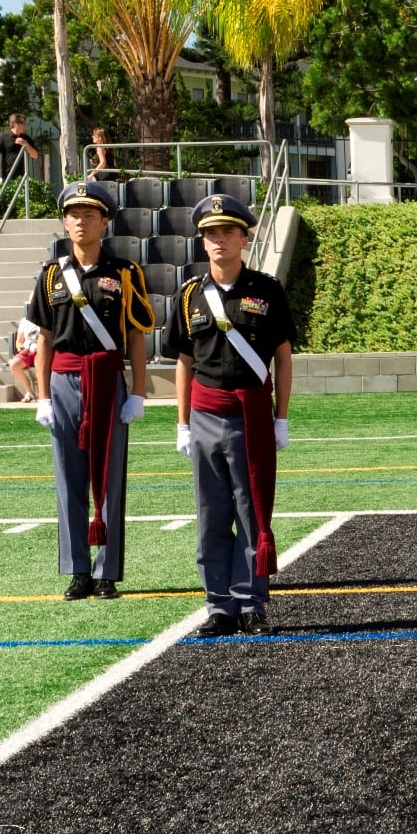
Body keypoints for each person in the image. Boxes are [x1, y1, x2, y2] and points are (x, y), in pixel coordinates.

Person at [165, 194, 297, 637]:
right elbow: (184, 361)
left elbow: (283, 356)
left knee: (252, 509)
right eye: (210, 234)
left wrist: (281, 417)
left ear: (244, 238)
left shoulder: (267, 290)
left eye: (227, 232)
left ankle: (251, 601)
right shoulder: (189, 296)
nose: (219, 240)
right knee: (211, 512)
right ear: (203, 242)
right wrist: (182, 422)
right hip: (205, 413)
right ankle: (218, 604)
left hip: (252, 414)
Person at [27, 182, 152, 601]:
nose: (81, 221)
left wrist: (138, 391)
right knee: (68, 478)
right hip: (63, 380)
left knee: (110, 478)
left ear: (104, 221)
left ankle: (107, 573)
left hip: (107, 379)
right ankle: (77, 569)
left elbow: (136, 336)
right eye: (74, 214)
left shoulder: (125, 273)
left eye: (90, 214)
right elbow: (44, 338)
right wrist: (42, 395)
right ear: (65, 221)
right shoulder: (49, 276)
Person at [0, 114, 42, 182]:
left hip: (22, 178)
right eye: (23, 123)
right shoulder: (3, 138)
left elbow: (35, 156)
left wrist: (26, 144)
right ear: (15, 124)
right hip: (7, 176)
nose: (24, 125)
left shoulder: (26, 138)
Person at [8, 317, 41, 402]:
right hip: (27, 350)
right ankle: (30, 393)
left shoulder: (47, 317)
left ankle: (42, 394)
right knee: (14, 365)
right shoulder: (25, 321)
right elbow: (19, 341)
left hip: (41, 349)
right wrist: (20, 348)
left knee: (40, 366)